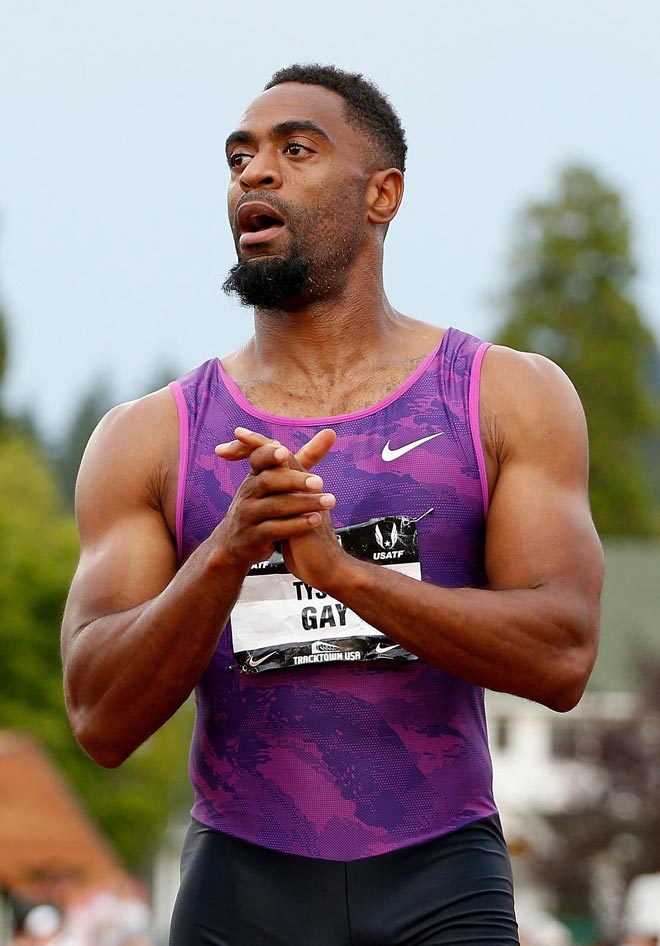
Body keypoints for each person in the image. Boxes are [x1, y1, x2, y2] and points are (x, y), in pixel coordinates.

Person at [61, 64, 604, 946]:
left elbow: (564, 656)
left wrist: (340, 573)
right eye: (239, 157)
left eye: (295, 150)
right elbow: (98, 719)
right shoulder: (152, 437)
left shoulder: (503, 397)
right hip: (242, 887)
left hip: (441, 879)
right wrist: (229, 551)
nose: (254, 173)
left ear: (382, 194)